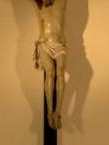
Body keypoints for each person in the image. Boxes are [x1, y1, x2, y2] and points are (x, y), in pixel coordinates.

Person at [32, 0, 68, 130]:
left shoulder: (62, 2)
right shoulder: (38, 4)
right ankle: (49, 112)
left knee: (60, 72)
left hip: (59, 43)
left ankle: (57, 111)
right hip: (44, 42)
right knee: (50, 72)